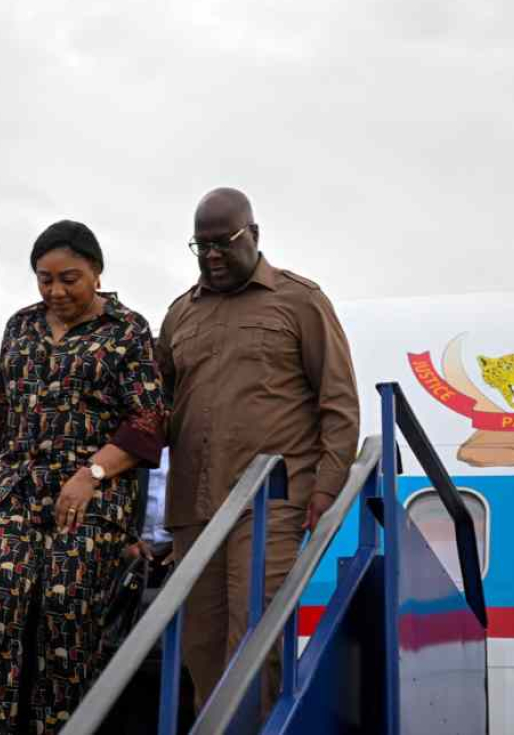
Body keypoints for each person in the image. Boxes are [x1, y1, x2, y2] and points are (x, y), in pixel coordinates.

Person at [0, 221, 166, 735]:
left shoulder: (126, 330)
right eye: (44, 279)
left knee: (63, 612)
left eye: (69, 278)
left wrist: (90, 473)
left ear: (96, 272)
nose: (56, 291)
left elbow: (148, 421)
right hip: (15, 488)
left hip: (90, 496)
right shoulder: (21, 327)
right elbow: (0, 415)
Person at [156, 188, 360, 713]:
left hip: (269, 506)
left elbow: (338, 402)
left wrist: (327, 489)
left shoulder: (301, 300)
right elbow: (150, 409)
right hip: (193, 509)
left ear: (255, 235)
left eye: (224, 242)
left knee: (255, 643)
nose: (213, 256)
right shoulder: (180, 314)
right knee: (199, 650)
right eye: (201, 246)